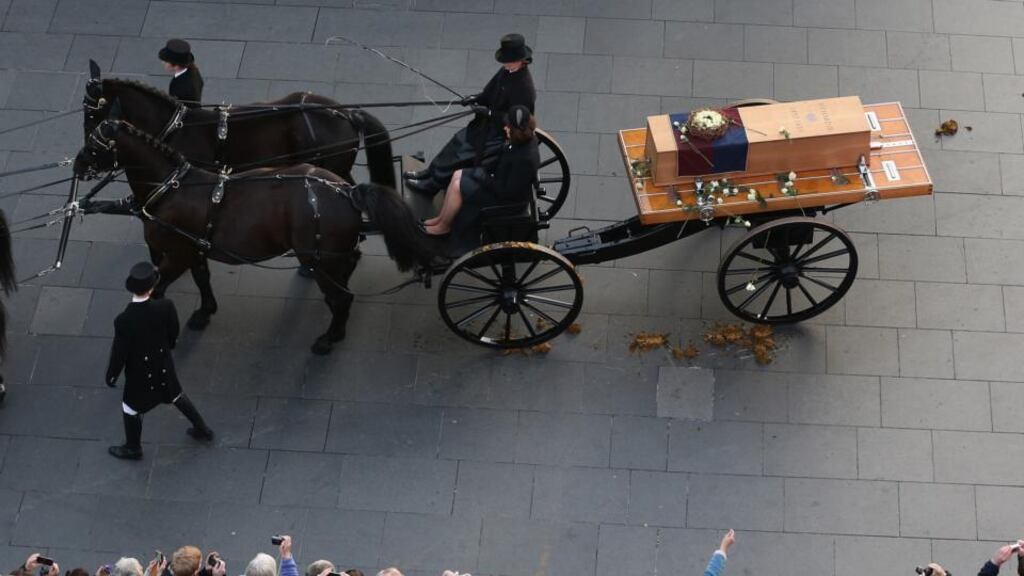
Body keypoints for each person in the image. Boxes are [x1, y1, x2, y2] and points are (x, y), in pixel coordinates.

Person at [404, 33, 535, 196]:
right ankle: (430, 172)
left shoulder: (524, 87)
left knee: (462, 153)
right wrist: (476, 98)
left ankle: (433, 185)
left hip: (500, 134)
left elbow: (517, 119)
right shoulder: (507, 71)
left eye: (508, 60)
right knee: (456, 141)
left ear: (520, 60)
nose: (505, 64)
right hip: (485, 124)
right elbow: (489, 92)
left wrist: (489, 112)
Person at [106, 262, 214, 460]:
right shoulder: (166, 306)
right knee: (176, 395)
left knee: (130, 408)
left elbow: (119, 353)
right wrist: (168, 347)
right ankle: (202, 429)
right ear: (151, 288)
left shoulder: (124, 320)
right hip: (162, 363)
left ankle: (133, 447)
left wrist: (112, 375)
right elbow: (173, 332)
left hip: (140, 372)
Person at [422, 105, 539, 237]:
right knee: (457, 174)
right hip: (495, 180)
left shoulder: (524, 160)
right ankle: (441, 219)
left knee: (457, 187)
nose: (505, 127)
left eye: (509, 126)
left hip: (505, 200)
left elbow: (506, 191)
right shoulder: (520, 141)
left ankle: (444, 226)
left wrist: (481, 175)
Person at [158, 39, 204, 108]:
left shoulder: (181, 88)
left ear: (176, 65)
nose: (163, 63)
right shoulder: (193, 71)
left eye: (166, 61)